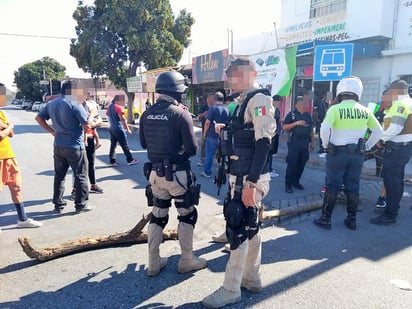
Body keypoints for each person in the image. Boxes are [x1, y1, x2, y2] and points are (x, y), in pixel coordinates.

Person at [202, 56, 276, 308]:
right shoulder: (245, 101)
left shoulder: (260, 100)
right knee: (251, 226)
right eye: (231, 74)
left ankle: (231, 288)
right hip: (241, 175)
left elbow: (264, 141)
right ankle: (252, 279)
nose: (233, 79)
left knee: (238, 228)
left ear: (253, 73)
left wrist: (251, 182)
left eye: (239, 73)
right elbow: (247, 136)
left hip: (248, 177)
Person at [139, 71, 207, 277]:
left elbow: (143, 144)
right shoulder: (180, 113)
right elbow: (193, 149)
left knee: (158, 214)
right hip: (178, 175)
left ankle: (153, 262)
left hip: (154, 174)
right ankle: (186, 260)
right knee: (187, 214)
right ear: (178, 91)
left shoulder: (147, 114)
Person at [313, 76, 383, 230]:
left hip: (337, 153)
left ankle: (326, 219)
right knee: (353, 186)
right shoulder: (365, 110)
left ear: (340, 92)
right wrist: (367, 146)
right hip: (357, 154)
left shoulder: (335, 109)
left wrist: (326, 145)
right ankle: (351, 220)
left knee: (332, 185)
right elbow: (379, 131)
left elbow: (324, 128)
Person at [35, 80, 96, 213]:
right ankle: (81, 204)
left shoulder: (52, 104)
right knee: (81, 175)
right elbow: (87, 126)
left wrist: (51, 131)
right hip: (75, 146)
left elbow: (39, 118)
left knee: (59, 175)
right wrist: (91, 114)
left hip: (58, 145)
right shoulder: (75, 104)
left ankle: (58, 204)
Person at [370, 79, 412, 225]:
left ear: (395, 91)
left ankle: (390, 214)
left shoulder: (400, 104)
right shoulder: (410, 103)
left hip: (396, 149)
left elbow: (395, 128)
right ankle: (393, 207)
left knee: (391, 182)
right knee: (397, 181)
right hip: (404, 148)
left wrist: (380, 140)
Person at [0, 112, 42, 230]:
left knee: (16, 187)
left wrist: (6, 127)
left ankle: (22, 219)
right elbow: (1, 135)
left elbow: (11, 134)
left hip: (9, 156)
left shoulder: (1, 113)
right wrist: (8, 126)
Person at [283, 96, 315, 193]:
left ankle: (296, 181)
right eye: (301, 103)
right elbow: (284, 127)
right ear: (296, 105)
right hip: (294, 142)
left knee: (302, 163)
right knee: (292, 163)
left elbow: (311, 130)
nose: (303, 105)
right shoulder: (292, 114)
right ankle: (288, 184)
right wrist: (296, 123)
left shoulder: (307, 115)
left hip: (305, 142)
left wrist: (312, 142)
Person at [201, 91, 230, 178]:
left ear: (215, 99)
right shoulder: (226, 109)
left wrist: (205, 133)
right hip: (223, 135)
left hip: (212, 135)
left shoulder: (212, 109)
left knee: (209, 154)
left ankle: (207, 172)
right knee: (224, 154)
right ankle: (223, 170)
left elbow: (207, 122)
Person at [106, 95, 138, 166]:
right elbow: (122, 119)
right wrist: (128, 129)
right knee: (124, 145)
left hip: (112, 128)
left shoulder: (110, 107)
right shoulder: (118, 107)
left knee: (113, 145)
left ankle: (112, 161)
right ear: (117, 100)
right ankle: (130, 160)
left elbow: (108, 115)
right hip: (118, 128)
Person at [82, 99, 104, 193]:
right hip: (80, 140)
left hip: (90, 139)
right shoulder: (74, 107)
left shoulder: (91, 106)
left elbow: (99, 120)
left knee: (91, 163)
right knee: (80, 165)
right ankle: (76, 189)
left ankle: (93, 185)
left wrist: (93, 124)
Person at [196, 93, 214, 166]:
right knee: (203, 145)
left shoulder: (215, 107)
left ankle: (214, 160)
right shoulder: (203, 107)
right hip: (205, 129)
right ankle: (202, 159)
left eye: (212, 98)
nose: (211, 100)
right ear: (207, 99)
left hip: (214, 130)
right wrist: (203, 114)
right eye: (209, 98)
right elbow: (198, 117)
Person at [268, 95, 281, 178]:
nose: (280, 103)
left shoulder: (277, 110)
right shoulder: (268, 109)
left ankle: (270, 167)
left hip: (275, 133)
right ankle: (267, 170)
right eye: (279, 101)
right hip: (269, 133)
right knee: (268, 152)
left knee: (272, 152)